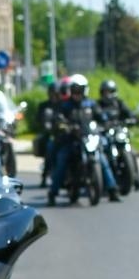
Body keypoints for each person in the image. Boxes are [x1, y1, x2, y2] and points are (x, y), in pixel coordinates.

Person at [45, 74, 118, 205]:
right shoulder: (65, 105)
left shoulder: (91, 104)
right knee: (62, 159)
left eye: (80, 90)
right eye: (75, 90)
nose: (77, 93)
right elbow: (58, 119)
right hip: (71, 141)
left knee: (102, 159)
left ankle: (112, 190)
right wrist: (65, 126)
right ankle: (53, 193)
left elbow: (101, 117)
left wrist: (106, 124)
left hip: (89, 139)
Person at [93, 78, 139, 192]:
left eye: (110, 92)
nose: (108, 95)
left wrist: (133, 119)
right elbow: (94, 118)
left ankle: (138, 181)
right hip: (104, 134)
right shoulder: (97, 105)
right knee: (101, 153)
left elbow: (129, 114)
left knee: (131, 152)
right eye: (105, 92)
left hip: (118, 133)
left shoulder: (119, 103)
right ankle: (102, 180)